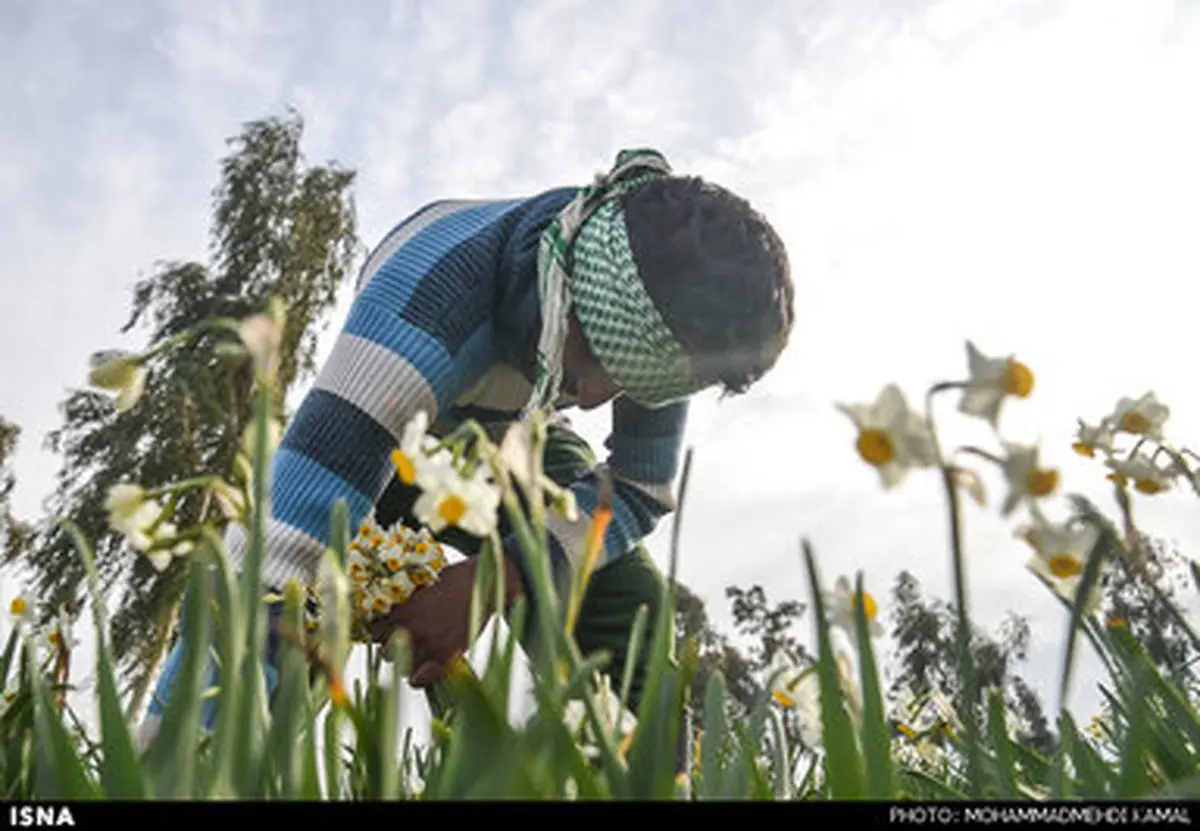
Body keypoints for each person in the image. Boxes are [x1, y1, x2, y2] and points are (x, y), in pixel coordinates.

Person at [136, 148, 794, 761]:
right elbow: (273, 558)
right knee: (296, 616)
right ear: (567, 285)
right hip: (392, 428)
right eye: (593, 356)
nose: (595, 400)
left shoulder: (664, 316)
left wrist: (497, 576)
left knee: (633, 611)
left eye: (630, 383)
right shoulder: (424, 310)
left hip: (511, 435)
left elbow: (641, 486)